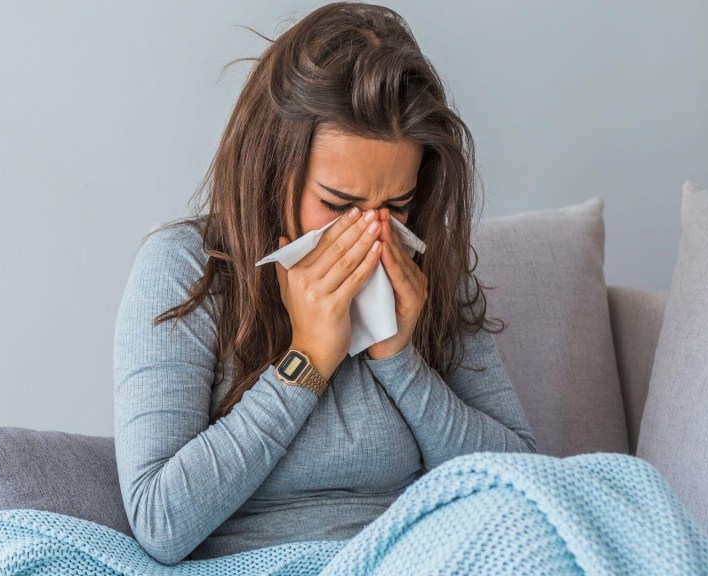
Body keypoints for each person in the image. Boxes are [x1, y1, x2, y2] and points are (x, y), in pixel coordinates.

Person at [112, 2, 537, 566]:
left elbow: (526, 480)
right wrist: (307, 359)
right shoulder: (186, 269)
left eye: (397, 205)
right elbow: (160, 521)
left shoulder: (426, 273)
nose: (369, 233)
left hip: (428, 555)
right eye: (338, 204)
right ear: (270, 169)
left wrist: (400, 359)